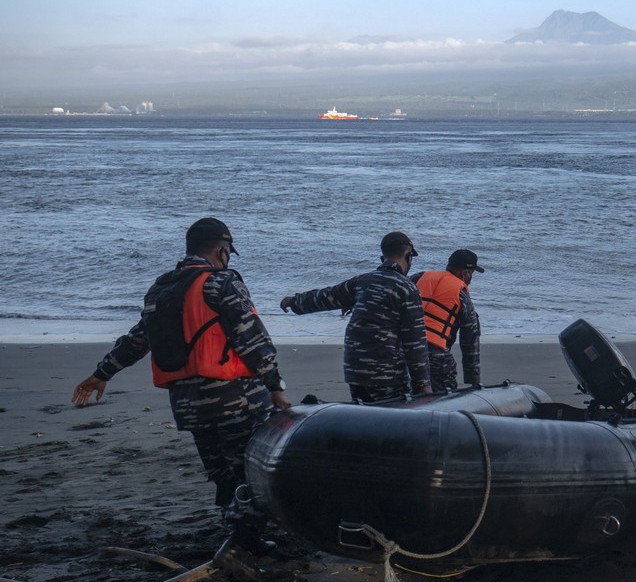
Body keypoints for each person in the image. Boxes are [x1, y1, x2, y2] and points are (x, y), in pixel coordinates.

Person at [71, 218, 290, 556]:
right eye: (228, 253)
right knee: (248, 466)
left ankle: (235, 528)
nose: (228, 258)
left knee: (219, 468)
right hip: (232, 396)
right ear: (221, 250)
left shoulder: (161, 288)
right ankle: (247, 538)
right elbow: (251, 336)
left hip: (187, 402)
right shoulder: (220, 283)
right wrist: (274, 385)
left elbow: (138, 339)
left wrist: (103, 373)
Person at [280, 231, 431, 403]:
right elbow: (414, 341)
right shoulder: (407, 288)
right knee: (387, 420)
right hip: (387, 373)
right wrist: (423, 384)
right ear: (409, 256)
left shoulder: (362, 281)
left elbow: (326, 296)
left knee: (362, 412)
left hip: (355, 370)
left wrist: (294, 301)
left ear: (383, 258)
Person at [411, 249, 483, 392]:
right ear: (465, 273)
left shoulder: (419, 277)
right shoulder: (462, 297)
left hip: (404, 349)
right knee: (443, 399)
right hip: (436, 357)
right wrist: (473, 382)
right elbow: (470, 343)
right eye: (472, 274)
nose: (471, 279)